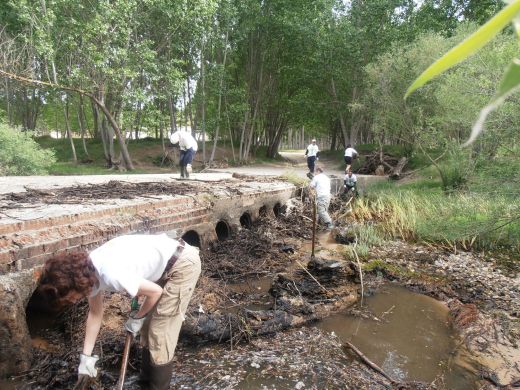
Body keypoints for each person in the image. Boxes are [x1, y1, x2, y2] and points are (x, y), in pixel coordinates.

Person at [38, 234, 201, 390]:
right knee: (146, 329)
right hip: (164, 264)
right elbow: (95, 314)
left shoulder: (110, 273)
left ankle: (159, 387)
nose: (72, 301)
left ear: (73, 283)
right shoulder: (87, 275)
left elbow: (155, 292)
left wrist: (138, 317)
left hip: (182, 264)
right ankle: (145, 381)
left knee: (160, 331)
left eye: (69, 298)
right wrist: (86, 358)